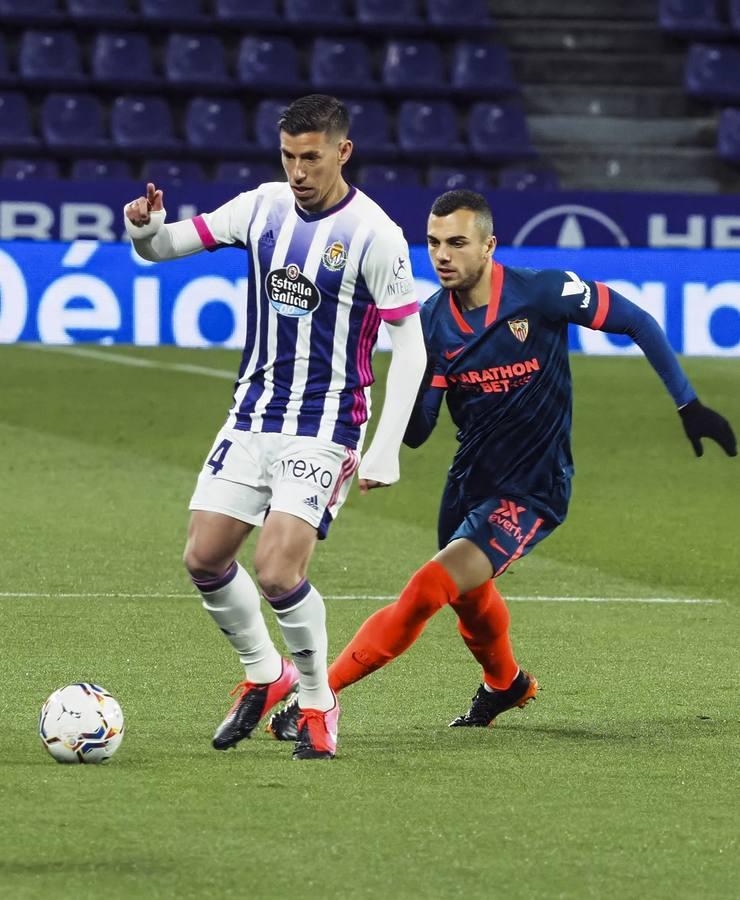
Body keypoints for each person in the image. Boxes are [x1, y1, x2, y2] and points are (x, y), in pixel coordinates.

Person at [269, 188, 737, 740]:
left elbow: (637, 321)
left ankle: (314, 699)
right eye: (433, 243)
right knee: (468, 600)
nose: (442, 255)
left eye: (457, 243)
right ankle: (505, 683)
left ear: (489, 245)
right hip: (468, 484)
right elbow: (420, 432)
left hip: (534, 489)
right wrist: (415, 384)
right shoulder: (428, 323)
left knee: (428, 588)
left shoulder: (542, 293)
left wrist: (688, 404)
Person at [123, 94, 427, 760]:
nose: (297, 171)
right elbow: (163, 247)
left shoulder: (375, 234)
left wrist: (386, 449)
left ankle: (317, 702)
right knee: (203, 556)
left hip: (326, 421)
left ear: (343, 152)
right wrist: (144, 228)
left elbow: (411, 344)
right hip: (254, 412)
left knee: (277, 567)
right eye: (288, 156)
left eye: (310, 157)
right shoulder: (259, 207)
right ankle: (266, 673)